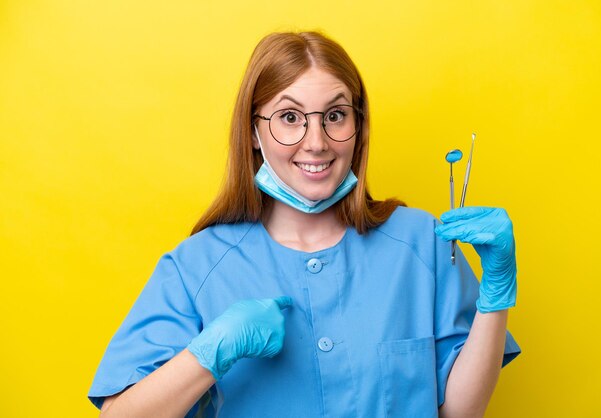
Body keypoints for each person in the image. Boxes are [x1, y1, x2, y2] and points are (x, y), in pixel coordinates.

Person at [88, 31, 520, 418]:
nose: (316, 143)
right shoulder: (196, 267)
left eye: (335, 116)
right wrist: (209, 354)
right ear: (254, 133)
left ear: (359, 127)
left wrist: (494, 295)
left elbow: (460, 412)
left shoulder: (422, 243)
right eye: (290, 118)